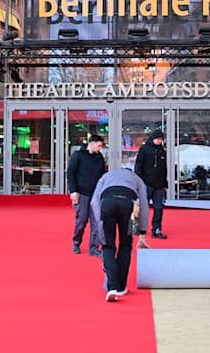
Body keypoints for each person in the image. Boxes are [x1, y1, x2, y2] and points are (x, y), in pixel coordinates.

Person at [90, 163, 150, 302]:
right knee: (125, 245)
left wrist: (100, 222)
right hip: (127, 205)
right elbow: (144, 205)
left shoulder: (106, 176)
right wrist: (142, 231)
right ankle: (121, 286)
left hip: (107, 203)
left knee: (108, 245)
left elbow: (94, 201)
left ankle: (112, 287)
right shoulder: (137, 179)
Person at [67, 134, 107, 256]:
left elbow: (103, 176)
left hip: (96, 194)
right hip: (81, 193)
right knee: (82, 220)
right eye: (99, 145)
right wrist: (73, 191)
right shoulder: (78, 155)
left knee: (97, 221)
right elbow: (70, 173)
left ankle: (94, 248)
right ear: (92, 143)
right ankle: (76, 242)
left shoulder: (100, 158)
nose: (100, 148)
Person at [134, 129, 168, 238]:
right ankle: (138, 227)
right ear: (153, 138)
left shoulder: (162, 151)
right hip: (145, 184)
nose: (159, 141)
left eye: (161, 139)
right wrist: (139, 183)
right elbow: (138, 166)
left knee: (159, 208)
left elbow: (164, 169)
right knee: (143, 207)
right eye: (158, 139)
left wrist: (165, 184)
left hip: (159, 185)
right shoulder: (144, 149)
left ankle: (156, 229)